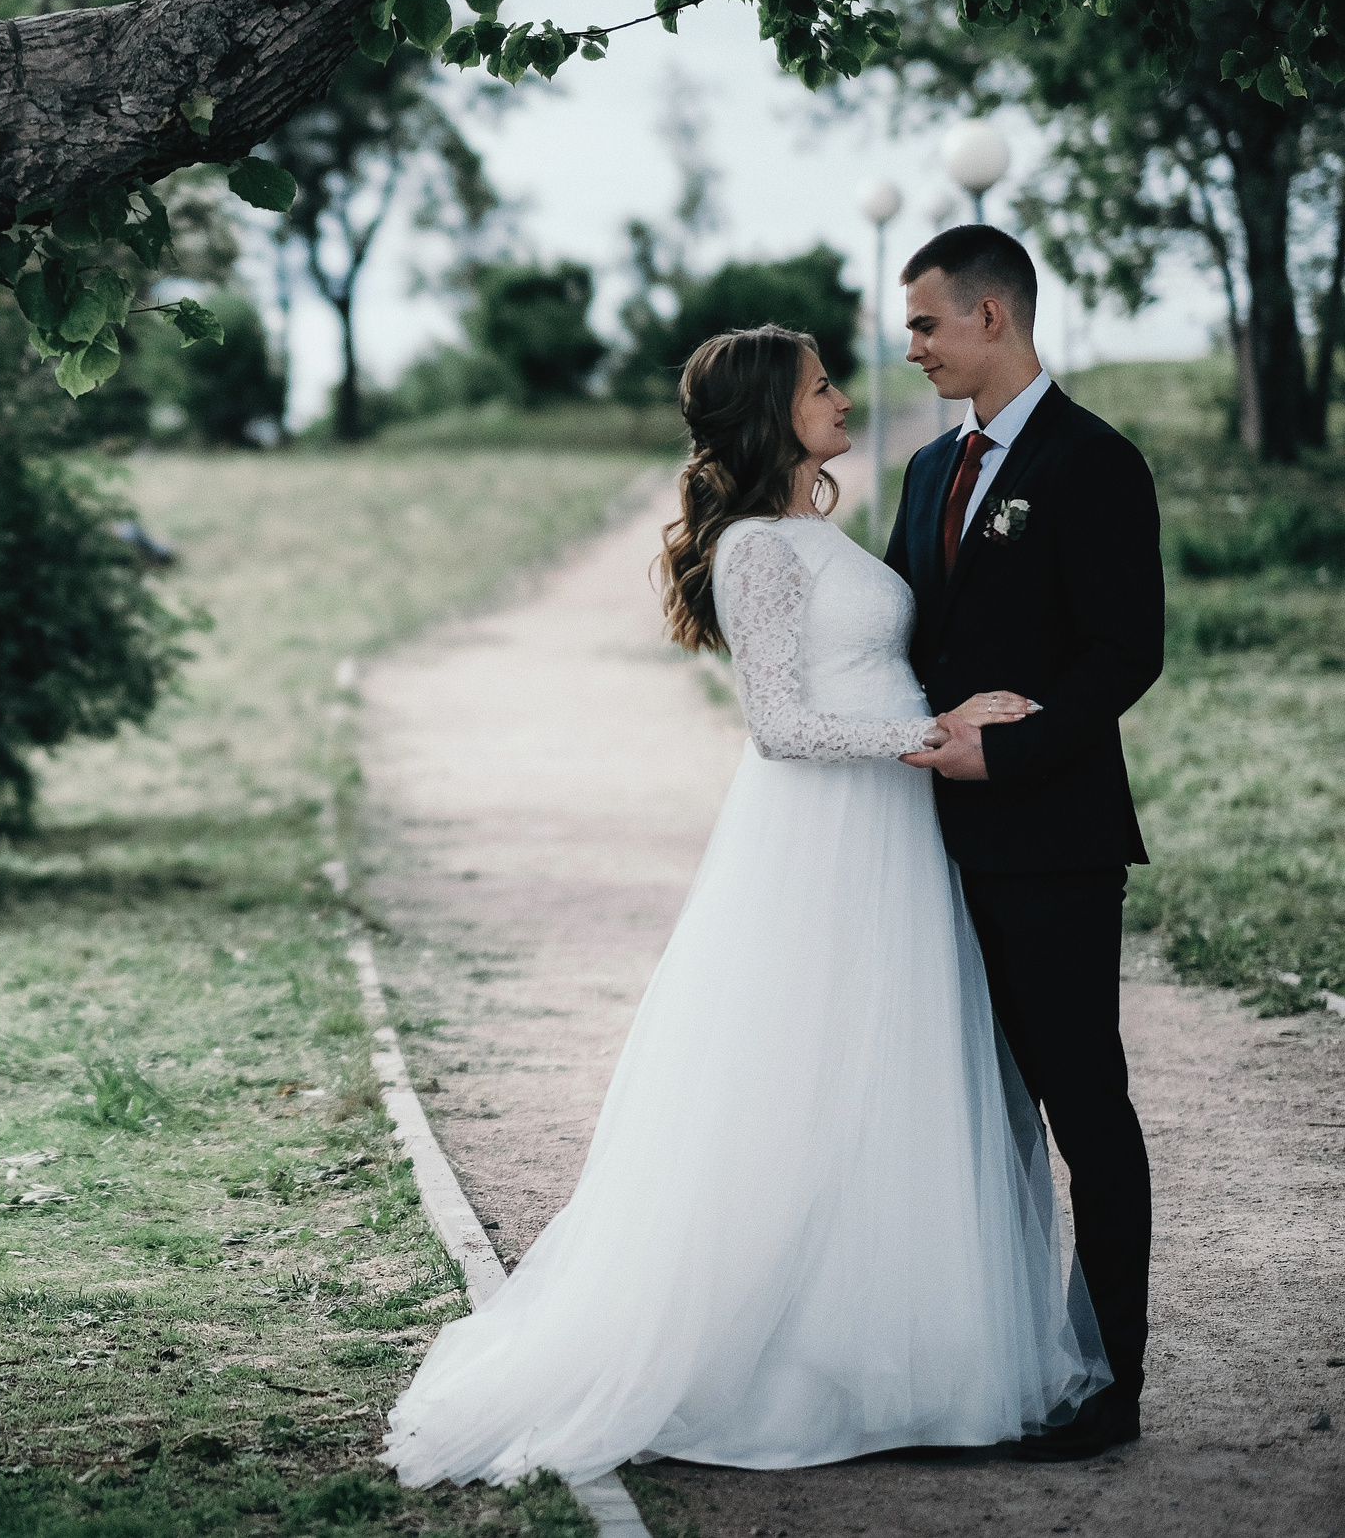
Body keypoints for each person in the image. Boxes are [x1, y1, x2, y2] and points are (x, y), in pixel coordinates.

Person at [381, 324, 1108, 1491]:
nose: (842, 398)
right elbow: (778, 726)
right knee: (809, 1077)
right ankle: (792, 1364)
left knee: (890, 1076)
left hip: (892, 832)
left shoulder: (811, 530)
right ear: (775, 414)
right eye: (821, 387)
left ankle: (901, 1360)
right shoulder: (755, 550)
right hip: (828, 836)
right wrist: (931, 734)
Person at [887, 225, 1163, 1460]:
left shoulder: (1094, 462)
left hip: (1052, 845)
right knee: (963, 1110)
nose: (912, 348)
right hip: (923, 852)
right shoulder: (923, 472)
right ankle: (989, 1367)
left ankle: (1108, 1382)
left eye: (925, 323)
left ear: (989, 315)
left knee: (1081, 1104)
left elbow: (1125, 650)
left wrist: (1010, 751)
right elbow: (907, 639)